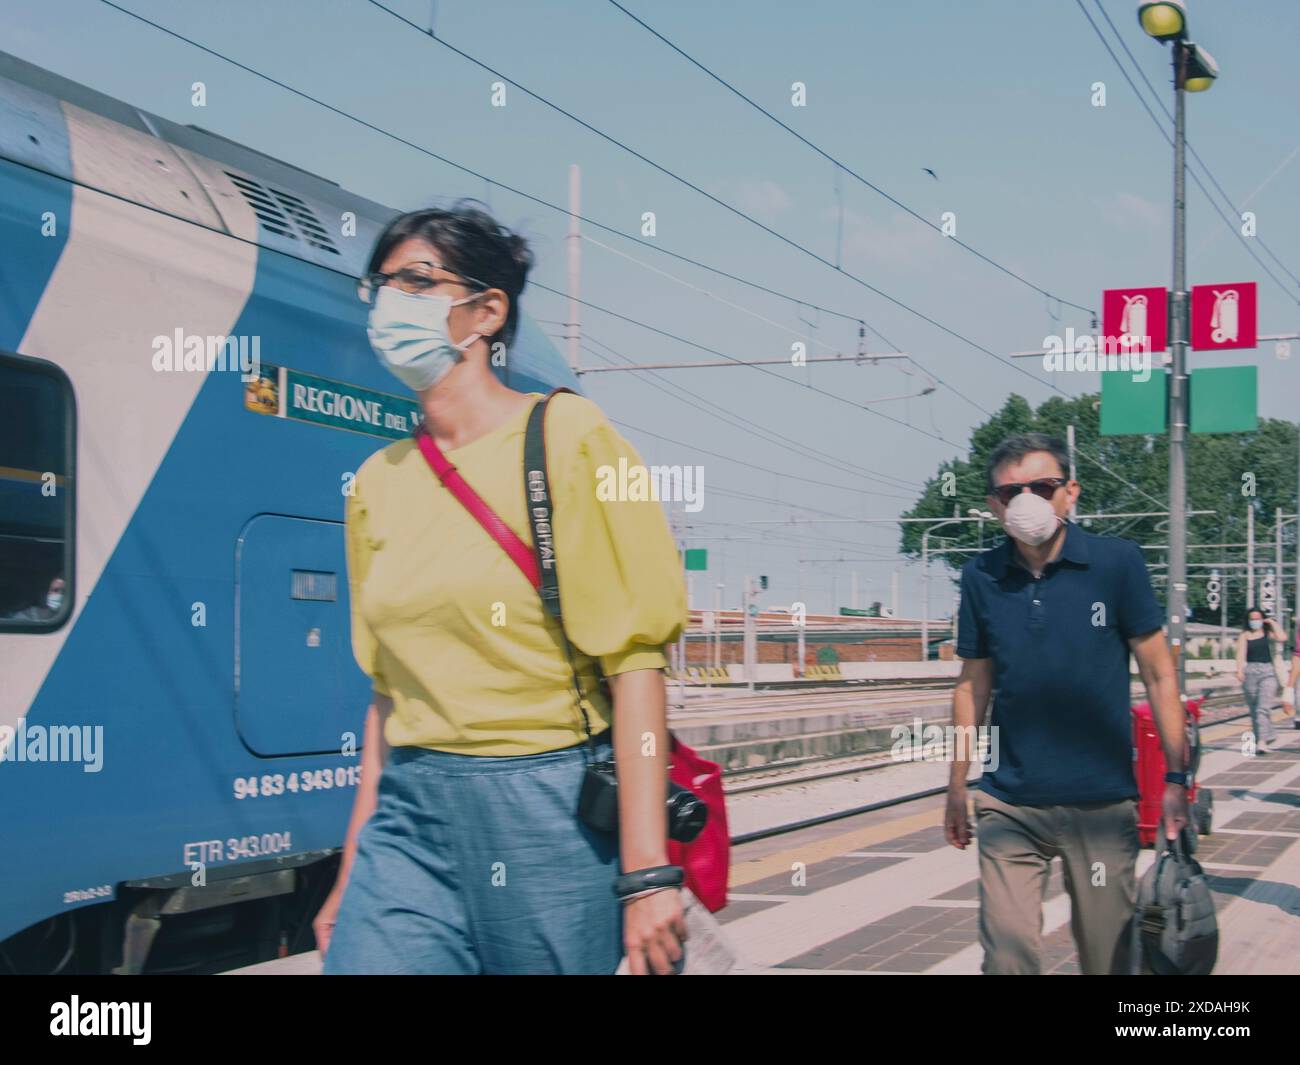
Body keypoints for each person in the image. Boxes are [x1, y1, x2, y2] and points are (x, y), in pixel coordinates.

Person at [314, 203, 689, 974]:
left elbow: (637, 665)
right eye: (380, 285)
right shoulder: (376, 482)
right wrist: (353, 870)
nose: (390, 302)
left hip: (546, 810)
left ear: (488, 311)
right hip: (411, 813)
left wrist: (648, 871)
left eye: (416, 281)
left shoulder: (570, 437)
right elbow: (389, 697)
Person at [943, 432, 1190, 975]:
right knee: (1007, 960)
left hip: (1100, 804)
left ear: (1070, 492)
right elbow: (972, 685)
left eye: (1041, 486)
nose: (1026, 501)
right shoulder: (981, 577)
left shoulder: (1116, 563)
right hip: (1010, 803)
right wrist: (958, 783)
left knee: (1107, 960)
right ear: (993, 505)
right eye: (1010, 493)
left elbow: (1158, 672)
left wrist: (1177, 778)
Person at [1236, 607, 1284, 752]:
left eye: (1258, 618)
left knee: (1262, 708)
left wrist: (1272, 622)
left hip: (1267, 672)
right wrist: (1239, 670)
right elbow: (1240, 654)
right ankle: (1267, 735)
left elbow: (1282, 637)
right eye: (1252, 619)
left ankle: (1261, 742)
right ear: (1248, 620)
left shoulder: (1267, 633)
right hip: (1250, 672)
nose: (1255, 621)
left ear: (1262, 619)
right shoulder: (1244, 635)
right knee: (1254, 709)